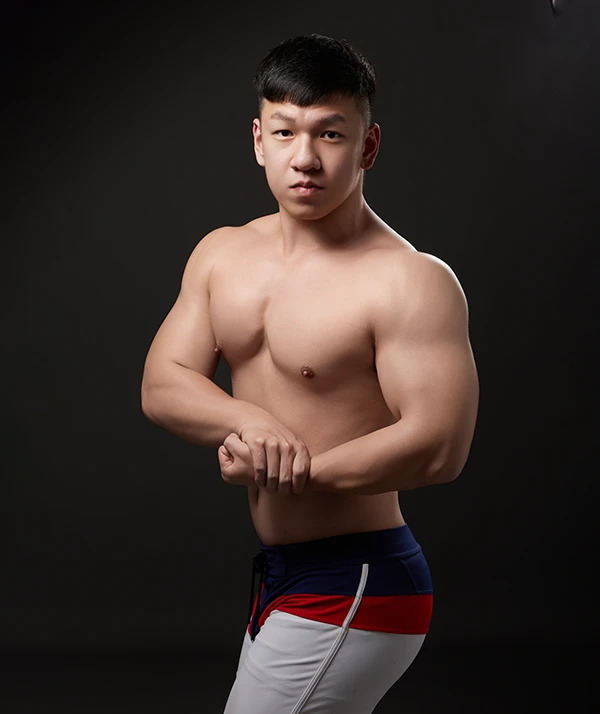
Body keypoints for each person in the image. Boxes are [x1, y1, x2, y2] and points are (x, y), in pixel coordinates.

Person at [141, 32, 479, 714]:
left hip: (360, 574)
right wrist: (249, 420)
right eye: (285, 131)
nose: (304, 158)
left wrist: (291, 469)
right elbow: (163, 382)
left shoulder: (410, 280)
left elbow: (439, 446)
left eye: (329, 134)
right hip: (281, 576)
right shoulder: (222, 255)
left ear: (368, 146)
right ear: (258, 140)